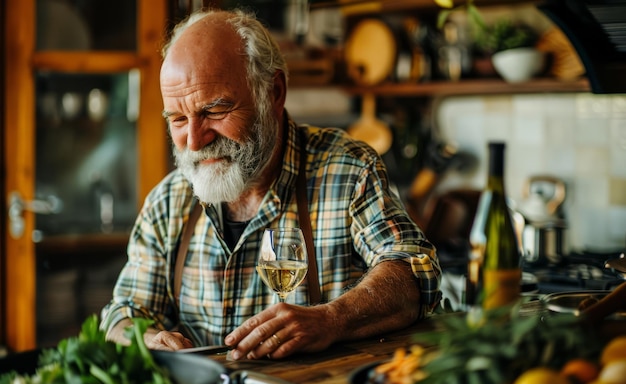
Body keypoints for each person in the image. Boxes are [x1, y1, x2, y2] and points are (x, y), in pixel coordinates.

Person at [100, 8, 441, 361]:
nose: (195, 140)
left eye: (214, 111)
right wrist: (144, 338)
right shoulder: (169, 202)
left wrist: (332, 319)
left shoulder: (348, 171)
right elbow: (123, 313)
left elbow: (415, 270)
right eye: (179, 119)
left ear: (274, 92)